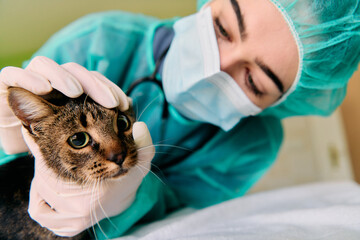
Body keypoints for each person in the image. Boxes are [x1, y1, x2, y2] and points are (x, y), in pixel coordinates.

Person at [0, 0, 359, 239]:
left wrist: (129, 199)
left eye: (254, 80)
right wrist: (11, 136)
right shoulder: (101, 39)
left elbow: (176, 215)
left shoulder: (252, 145)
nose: (217, 66)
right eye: (223, 28)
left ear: (282, 101)